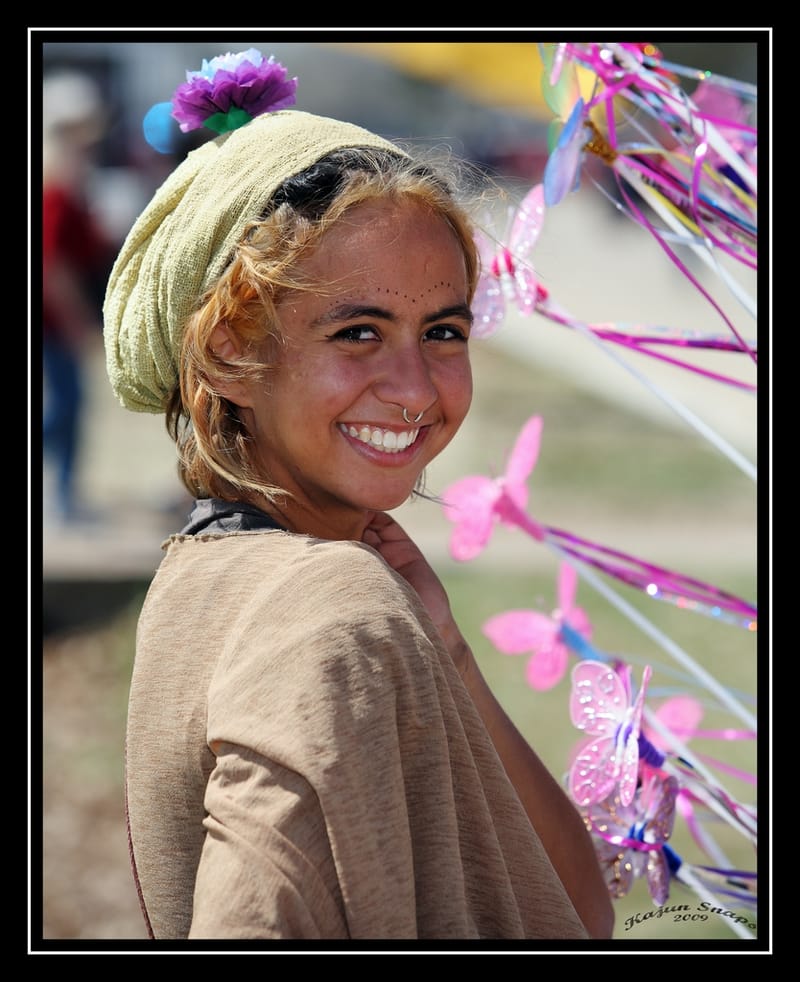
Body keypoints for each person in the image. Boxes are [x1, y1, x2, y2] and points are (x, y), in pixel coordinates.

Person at [104, 49, 614, 943]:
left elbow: (573, 910)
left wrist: (446, 653)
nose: (414, 386)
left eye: (443, 330)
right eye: (358, 331)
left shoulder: (215, 578)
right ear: (230, 350)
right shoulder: (329, 609)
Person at [42, 70, 115, 522]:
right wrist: (74, 321)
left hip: (59, 316)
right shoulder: (54, 185)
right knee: (65, 408)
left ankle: (66, 497)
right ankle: (63, 499)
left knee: (69, 408)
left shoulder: (69, 183)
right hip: (52, 320)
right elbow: (51, 266)